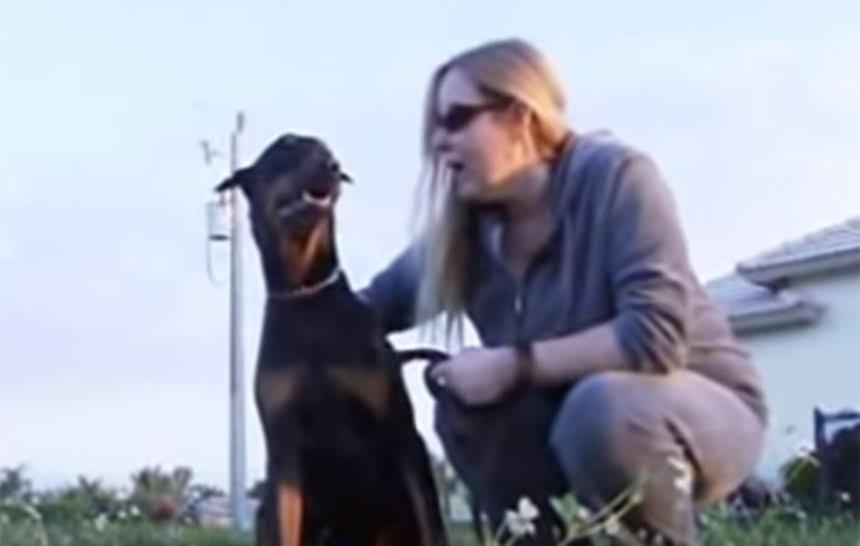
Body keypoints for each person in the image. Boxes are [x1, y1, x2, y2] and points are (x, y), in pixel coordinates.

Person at [358, 37, 768, 546]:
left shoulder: (617, 177)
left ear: (520, 117)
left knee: (600, 409)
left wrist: (513, 365)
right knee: (466, 406)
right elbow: (359, 313)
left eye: (457, 119)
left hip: (700, 408)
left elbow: (654, 337)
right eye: (436, 127)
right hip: (570, 418)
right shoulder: (463, 235)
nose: (439, 142)